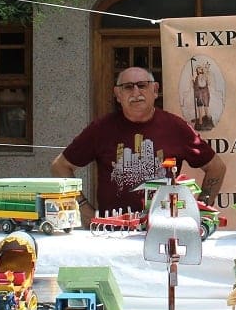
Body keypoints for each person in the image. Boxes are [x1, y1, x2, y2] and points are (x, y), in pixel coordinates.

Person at [51, 67, 226, 218]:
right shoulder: (101, 129)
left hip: (163, 228)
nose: (136, 93)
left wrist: (201, 212)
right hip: (112, 231)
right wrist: (82, 208)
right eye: (128, 87)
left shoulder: (176, 127)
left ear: (155, 90)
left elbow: (216, 168)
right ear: (118, 95)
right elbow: (60, 167)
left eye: (142, 85)